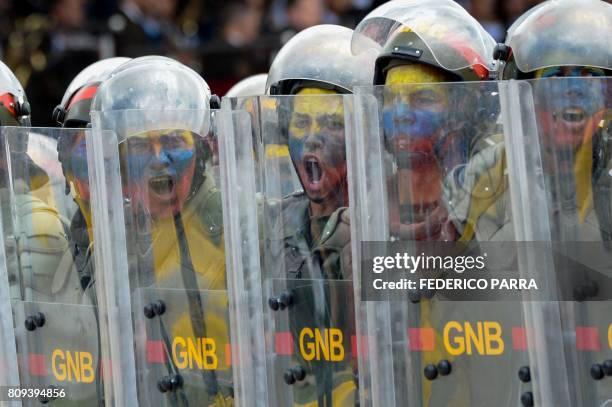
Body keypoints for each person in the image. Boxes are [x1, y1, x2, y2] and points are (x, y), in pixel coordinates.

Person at [90, 55, 233, 405]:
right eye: (140, 146)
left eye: (172, 142)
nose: (158, 158)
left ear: (200, 152)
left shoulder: (243, 222)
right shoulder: (112, 243)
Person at [260, 23, 376, 406]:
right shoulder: (270, 225)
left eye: (331, 123)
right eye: (302, 123)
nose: (313, 137)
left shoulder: (389, 218)